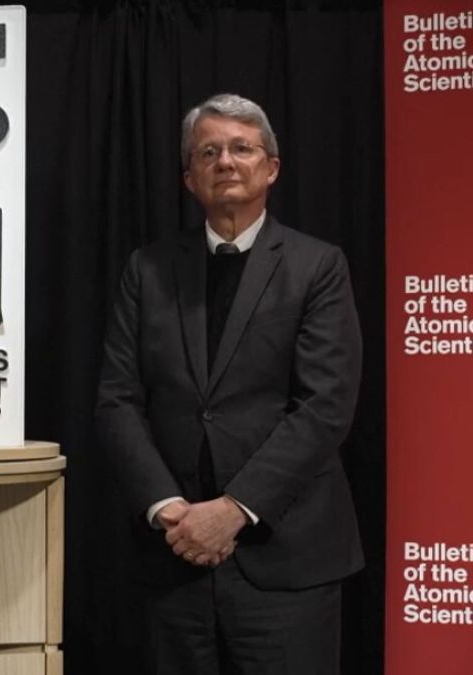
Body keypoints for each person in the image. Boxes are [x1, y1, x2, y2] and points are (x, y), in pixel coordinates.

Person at [96, 94, 363, 674]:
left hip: (287, 562)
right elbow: (118, 400)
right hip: (173, 559)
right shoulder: (147, 269)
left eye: (242, 148)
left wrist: (234, 510)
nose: (225, 161)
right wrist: (169, 509)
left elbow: (324, 406)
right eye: (208, 152)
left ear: (272, 168)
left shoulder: (318, 266)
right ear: (189, 178)